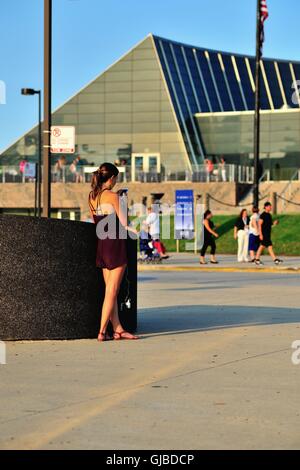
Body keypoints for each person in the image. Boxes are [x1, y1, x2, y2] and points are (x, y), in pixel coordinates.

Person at [88, 162, 138, 342]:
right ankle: (102, 331)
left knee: (111, 290)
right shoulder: (114, 196)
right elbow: (125, 224)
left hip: (102, 245)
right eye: (116, 178)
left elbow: (97, 223)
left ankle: (118, 329)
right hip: (115, 244)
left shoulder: (92, 197)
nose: (116, 181)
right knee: (112, 290)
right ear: (111, 178)